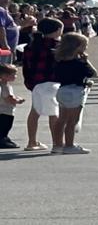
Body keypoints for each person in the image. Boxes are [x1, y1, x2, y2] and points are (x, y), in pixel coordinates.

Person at [21, 17, 63, 152]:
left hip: (36, 83)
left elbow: (26, 67)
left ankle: (31, 141)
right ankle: (57, 143)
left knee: (35, 111)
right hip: (53, 82)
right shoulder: (58, 46)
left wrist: (29, 82)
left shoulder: (31, 45)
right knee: (54, 113)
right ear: (57, 31)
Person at [52, 32, 95, 154]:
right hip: (75, 91)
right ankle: (69, 146)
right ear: (76, 47)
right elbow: (92, 73)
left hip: (62, 90)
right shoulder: (79, 63)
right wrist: (86, 61)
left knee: (62, 119)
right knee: (72, 121)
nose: (86, 48)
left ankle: (57, 145)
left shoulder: (59, 61)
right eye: (84, 46)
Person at [0, 62, 21, 149]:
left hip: (5, 111)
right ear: (5, 76)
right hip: (5, 111)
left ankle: (4, 138)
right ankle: (2, 139)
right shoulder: (5, 87)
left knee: (5, 126)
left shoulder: (4, 85)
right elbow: (9, 98)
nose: (15, 76)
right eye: (13, 74)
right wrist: (18, 101)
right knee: (5, 126)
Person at [0, 0, 18, 68]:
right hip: (3, 47)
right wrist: (5, 45)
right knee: (4, 71)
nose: (9, 1)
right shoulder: (0, 10)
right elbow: (1, 28)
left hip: (5, 46)